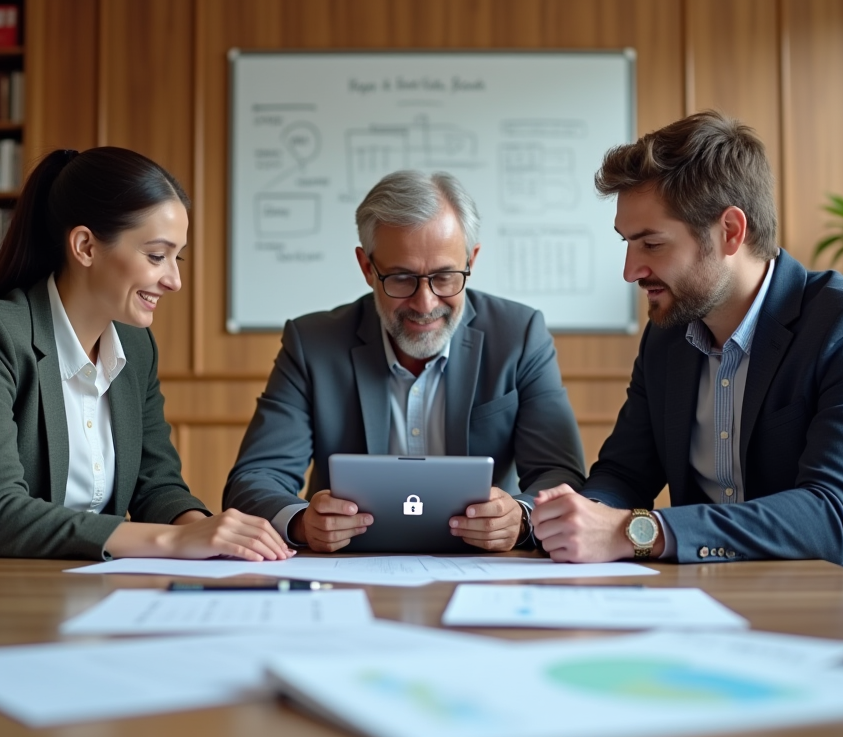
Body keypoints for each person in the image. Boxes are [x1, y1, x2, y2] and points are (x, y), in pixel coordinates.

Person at [530, 111, 843, 589]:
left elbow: (831, 515)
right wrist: (581, 515)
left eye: (651, 243)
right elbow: (626, 471)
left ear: (730, 231)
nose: (630, 270)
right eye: (627, 243)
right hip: (732, 598)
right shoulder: (668, 337)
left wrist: (637, 531)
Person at [0, 147, 292, 572]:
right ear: (86, 246)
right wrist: (176, 539)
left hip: (61, 582)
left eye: (176, 257)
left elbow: (157, 485)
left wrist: (211, 535)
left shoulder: (136, 346)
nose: (174, 280)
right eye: (156, 256)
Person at [223, 170, 586, 552]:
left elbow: (560, 475)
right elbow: (254, 478)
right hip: (348, 569)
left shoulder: (520, 335)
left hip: (487, 567)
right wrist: (299, 522)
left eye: (445, 277)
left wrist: (522, 517)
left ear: (471, 261)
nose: (425, 303)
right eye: (401, 278)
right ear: (367, 268)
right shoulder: (312, 343)